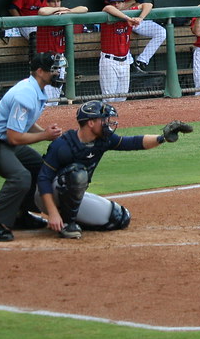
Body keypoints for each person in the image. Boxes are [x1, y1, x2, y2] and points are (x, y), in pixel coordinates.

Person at [36, 101, 191, 239]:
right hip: (49, 195)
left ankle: (73, 218)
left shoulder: (103, 140)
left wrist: (162, 138)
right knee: (77, 174)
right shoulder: (63, 145)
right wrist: (53, 213)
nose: (107, 123)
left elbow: (133, 142)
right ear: (91, 123)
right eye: (103, 119)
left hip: (72, 195)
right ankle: (67, 224)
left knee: (120, 218)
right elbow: (43, 178)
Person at [0, 51, 64, 242]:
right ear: (40, 71)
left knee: (40, 168)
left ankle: (19, 215)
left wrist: (44, 132)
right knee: (21, 177)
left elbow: (25, 123)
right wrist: (44, 135)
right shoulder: (26, 94)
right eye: (54, 70)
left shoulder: (36, 89)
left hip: (3, 141)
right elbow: (14, 137)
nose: (58, 74)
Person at [104, 0, 167, 75]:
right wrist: (132, 2)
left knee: (162, 32)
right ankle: (131, 64)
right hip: (119, 22)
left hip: (135, 21)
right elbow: (114, 7)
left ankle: (141, 61)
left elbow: (143, 3)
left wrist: (139, 17)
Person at [35, 0, 89, 101]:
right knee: (46, 99)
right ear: (48, 3)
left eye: (58, 1)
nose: (56, 3)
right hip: (45, 61)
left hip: (60, 60)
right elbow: (42, 11)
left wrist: (68, 11)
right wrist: (58, 9)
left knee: (55, 98)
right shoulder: (44, 14)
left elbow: (85, 9)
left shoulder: (65, 15)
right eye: (53, 2)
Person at [98, 0, 153, 100]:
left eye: (119, 2)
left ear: (124, 3)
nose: (116, 5)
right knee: (109, 97)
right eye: (114, 3)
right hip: (109, 61)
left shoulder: (131, 13)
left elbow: (148, 5)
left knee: (122, 98)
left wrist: (140, 18)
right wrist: (128, 18)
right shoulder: (107, 16)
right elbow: (107, 8)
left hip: (125, 61)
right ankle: (106, 117)